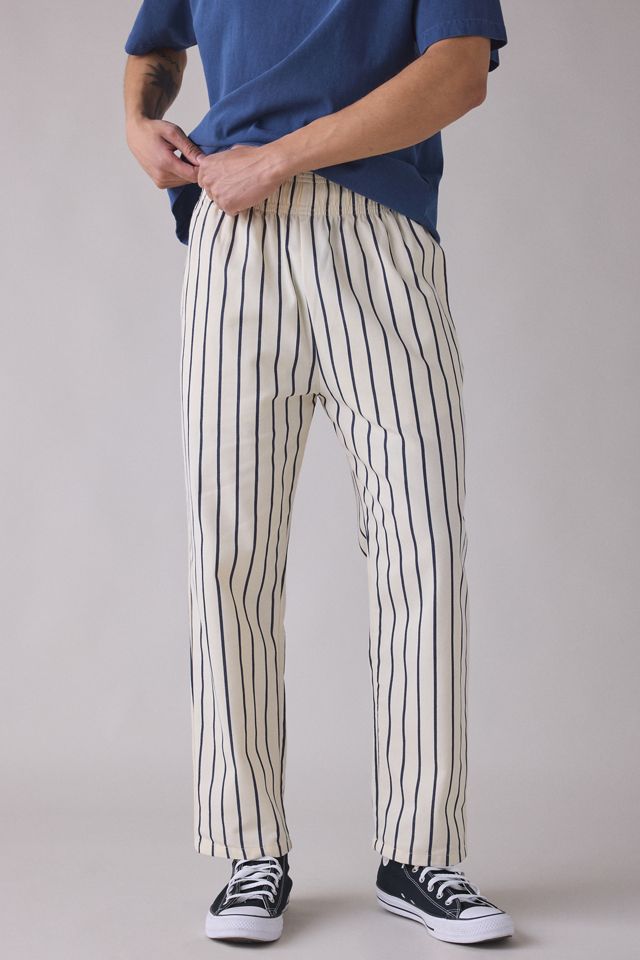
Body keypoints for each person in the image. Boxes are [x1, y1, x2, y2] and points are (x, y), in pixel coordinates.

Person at [123, 0, 514, 946]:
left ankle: (420, 853)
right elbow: (155, 45)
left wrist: (280, 157)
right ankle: (249, 851)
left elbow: (461, 68)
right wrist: (137, 126)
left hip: (378, 232)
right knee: (229, 555)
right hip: (235, 239)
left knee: (423, 548)